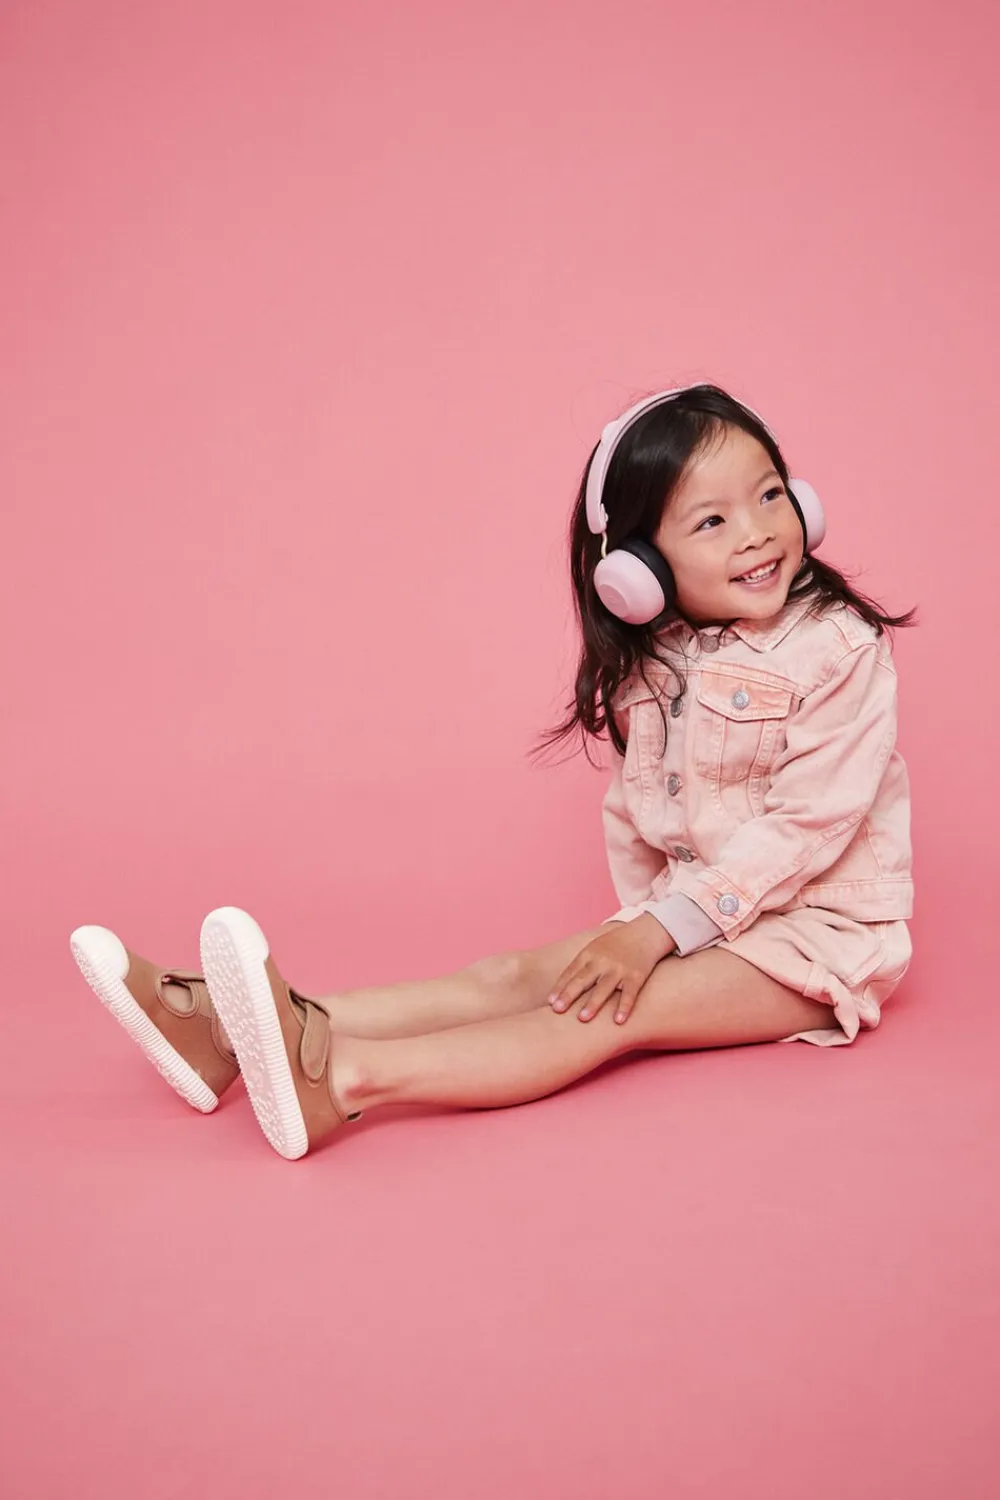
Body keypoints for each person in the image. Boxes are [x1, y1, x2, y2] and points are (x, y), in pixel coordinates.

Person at [70, 382, 916, 1161]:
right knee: (508, 977)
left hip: (817, 940)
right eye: (712, 522)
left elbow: (810, 824)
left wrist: (656, 937)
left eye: (769, 495)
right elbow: (639, 813)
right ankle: (219, 1035)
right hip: (698, 917)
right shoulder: (658, 662)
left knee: (606, 1012)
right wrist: (638, 923)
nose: (759, 531)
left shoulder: (840, 649)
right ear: (639, 571)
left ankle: (342, 1080)